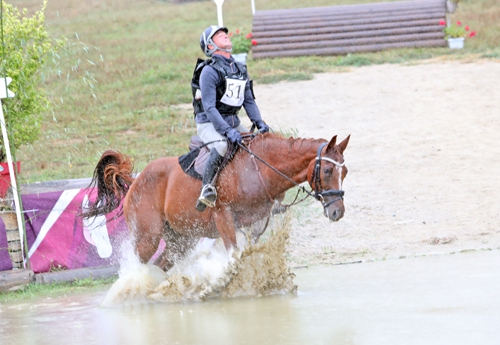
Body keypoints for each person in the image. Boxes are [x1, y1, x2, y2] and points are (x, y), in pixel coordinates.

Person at [192, 25, 269, 212]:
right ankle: (206, 189)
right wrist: (227, 132)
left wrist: (259, 122)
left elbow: (248, 101)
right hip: (209, 123)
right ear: (210, 47)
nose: (225, 36)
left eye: (224, 33)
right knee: (221, 146)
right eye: (219, 35)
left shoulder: (240, 68)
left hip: (232, 121)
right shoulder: (208, 72)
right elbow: (209, 108)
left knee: (263, 144)